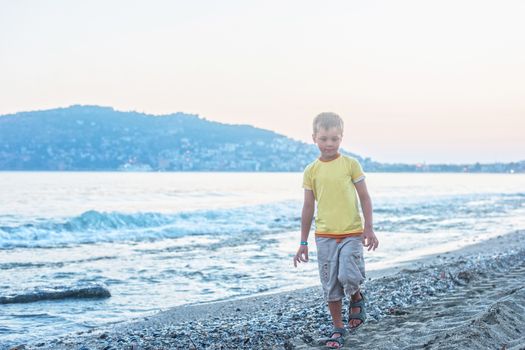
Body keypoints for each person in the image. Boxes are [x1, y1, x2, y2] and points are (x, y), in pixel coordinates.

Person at [293, 112, 379, 349]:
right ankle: (338, 328)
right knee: (330, 285)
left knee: (348, 276)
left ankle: (357, 297)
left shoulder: (350, 164)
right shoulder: (311, 170)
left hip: (352, 233)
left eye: (334, 138)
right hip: (324, 237)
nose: (329, 144)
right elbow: (308, 207)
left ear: (341, 137)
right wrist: (303, 242)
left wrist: (368, 228)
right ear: (314, 138)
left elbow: (365, 198)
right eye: (324, 139)